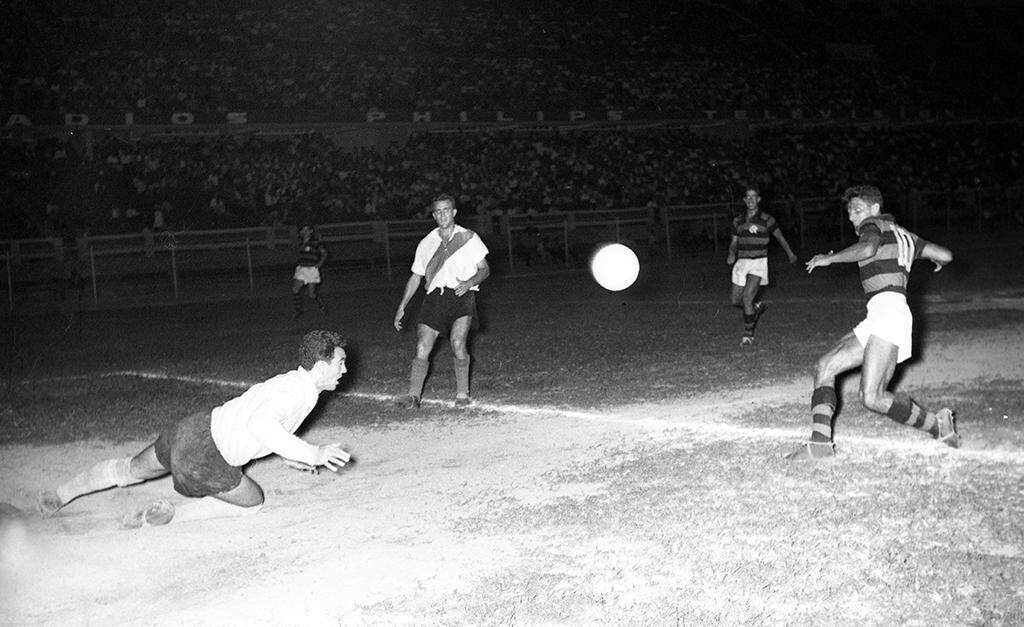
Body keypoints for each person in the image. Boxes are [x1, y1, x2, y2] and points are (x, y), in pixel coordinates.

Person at [37, 330, 352, 528]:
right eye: (340, 362)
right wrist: (314, 453)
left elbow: (265, 424)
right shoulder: (296, 393)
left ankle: (59, 495)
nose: (345, 369)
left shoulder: (293, 382)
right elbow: (260, 424)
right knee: (254, 502)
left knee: (130, 469)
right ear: (322, 366)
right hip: (206, 456)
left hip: (194, 427)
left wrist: (289, 454)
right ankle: (167, 513)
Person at [787, 185, 958, 460]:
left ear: (875, 208)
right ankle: (820, 443)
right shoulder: (906, 236)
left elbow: (868, 248)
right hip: (881, 313)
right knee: (824, 366)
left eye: (858, 210)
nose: (854, 218)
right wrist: (936, 261)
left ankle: (937, 425)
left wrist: (829, 259)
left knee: (872, 397)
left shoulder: (872, 225)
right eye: (850, 213)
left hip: (889, 312)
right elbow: (946, 255)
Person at [393, 193, 490, 408]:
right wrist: (402, 306)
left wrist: (469, 282)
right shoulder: (427, 243)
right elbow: (416, 276)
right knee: (422, 345)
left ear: (454, 212)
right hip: (434, 299)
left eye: (447, 210)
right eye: (438, 211)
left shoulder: (469, 237)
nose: (442, 214)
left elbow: (485, 269)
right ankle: (413, 396)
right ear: (434, 215)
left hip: (461, 296)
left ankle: (462, 395)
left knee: (457, 343)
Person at [726, 187, 798, 345]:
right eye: (748, 197)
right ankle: (755, 307)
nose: (751, 200)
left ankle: (748, 336)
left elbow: (780, 237)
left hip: (758, 262)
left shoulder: (767, 219)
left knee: (746, 298)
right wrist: (731, 253)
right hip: (742, 262)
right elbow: (734, 243)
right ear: (744, 200)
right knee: (735, 300)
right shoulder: (738, 220)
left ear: (759, 199)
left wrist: (790, 253)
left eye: (754, 197)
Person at [292, 224, 329, 317]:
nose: (304, 232)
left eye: (306, 230)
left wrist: (320, 263)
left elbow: (325, 253)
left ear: (311, 231)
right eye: (303, 230)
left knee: (311, 295)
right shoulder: (300, 243)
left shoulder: (316, 242)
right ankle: (298, 310)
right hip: (301, 269)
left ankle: (321, 305)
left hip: (311, 269)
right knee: (295, 289)